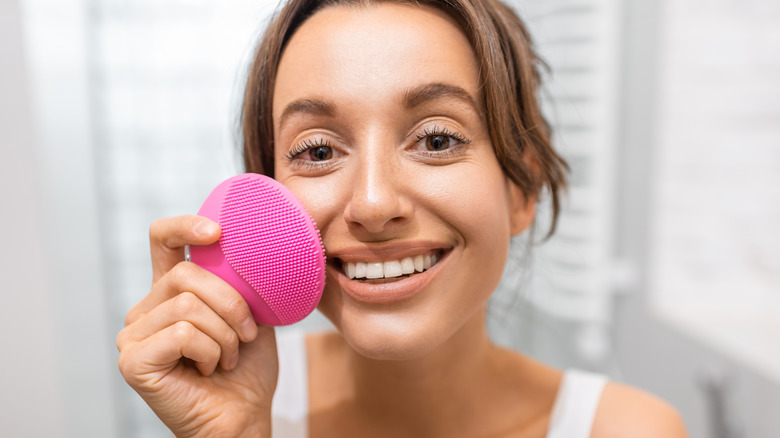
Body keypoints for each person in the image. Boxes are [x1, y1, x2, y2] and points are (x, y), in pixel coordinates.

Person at [117, 0, 689, 436]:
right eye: (318, 151)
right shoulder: (236, 396)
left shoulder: (627, 429)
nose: (372, 204)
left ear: (521, 191)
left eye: (437, 139)